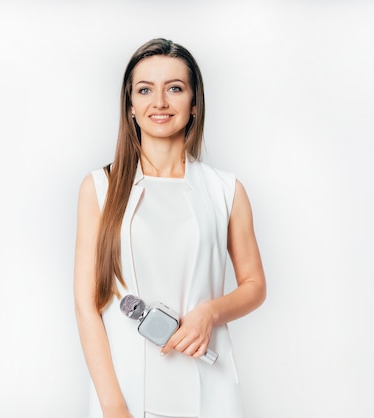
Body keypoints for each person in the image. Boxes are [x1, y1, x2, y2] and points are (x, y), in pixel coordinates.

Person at [74, 38, 266, 418]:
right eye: (145, 90)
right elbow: (86, 304)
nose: (159, 102)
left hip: (208, 386)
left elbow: (255, 285)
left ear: (194, 104)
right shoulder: (100, 188)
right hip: (124, 390)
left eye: (174, 88)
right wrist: (113, 405)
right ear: (130, 106)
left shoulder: (226, 190)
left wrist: (210, 313)